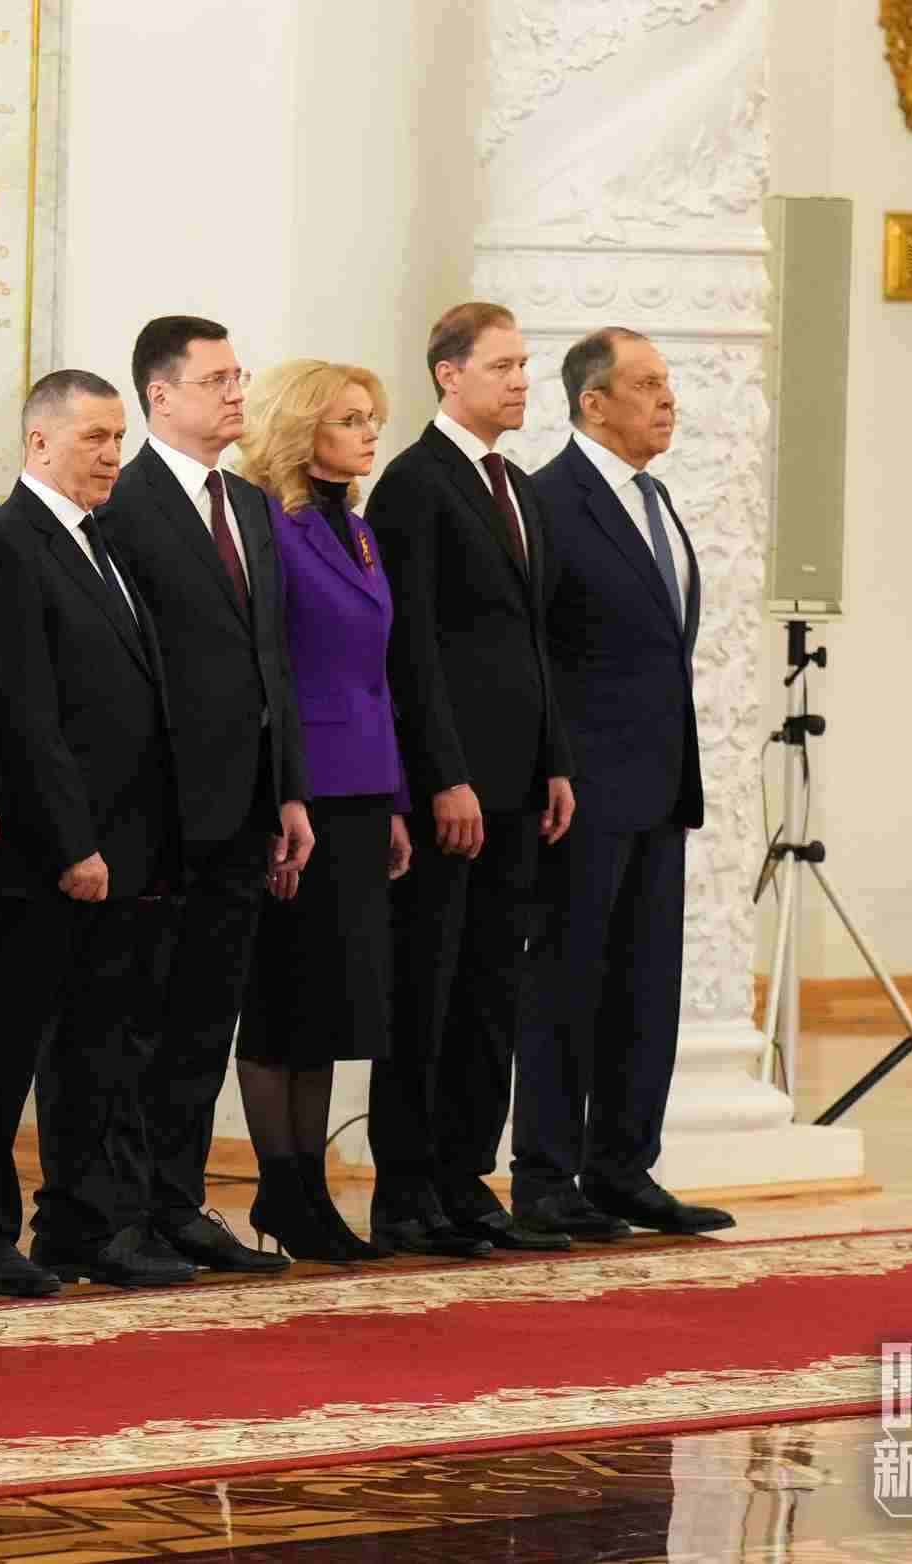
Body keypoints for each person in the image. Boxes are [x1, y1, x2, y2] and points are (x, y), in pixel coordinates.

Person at [0, 370, 187, 1288]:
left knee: (99, 1046)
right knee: (3, 1048)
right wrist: (71, 844)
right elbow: (25, 713)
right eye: (95, 437)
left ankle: (82, 1225)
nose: (112, 455)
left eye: (119, 438)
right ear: (40, 442)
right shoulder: (10, 544)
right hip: (49, 854)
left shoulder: (101, 538)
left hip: (124, 844)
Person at [96, 315, 311, 1277]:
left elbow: (272, 662)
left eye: (239, 376)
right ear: (160, 395)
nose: (236, 393)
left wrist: (289, 792)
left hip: (245, 807)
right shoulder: (124, 502)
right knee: (136, 1020)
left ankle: (177, 1203)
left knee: (203, 1025)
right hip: (159, 810)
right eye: (216, 379)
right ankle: (121, 1212)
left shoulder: (251, 505)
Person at [367, 302, 575, 1258]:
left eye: (525, 365)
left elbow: (534, 642)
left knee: (493, 991)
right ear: (449, 375)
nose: (522, 381)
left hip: (520, 784)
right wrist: (443, 776)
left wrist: (554, 761)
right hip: (451, 790)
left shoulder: (517, 485)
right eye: (503, 366)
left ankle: (467, 1181)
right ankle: (406, 1192)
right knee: (431, 990)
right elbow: (410, 649)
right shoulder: (414, 484)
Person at [522, 327, 733, 1237]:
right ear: (593, 402)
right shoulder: (548, 501)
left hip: (658, 786)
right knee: (567, 986)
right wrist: (552, 766)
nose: (667, 399)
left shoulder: (655, 497)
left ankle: (622, 1167)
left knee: (645, 988)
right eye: (646, 384)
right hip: (580, 792)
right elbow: (535, 655)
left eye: (668, 383)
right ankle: (545, 1177)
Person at [232, 359, 412, 1263]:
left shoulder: (359, 529)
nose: (370, 432)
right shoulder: (268, 523)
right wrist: (280, 796)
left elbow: (377, 674)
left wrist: (396, 799)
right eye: (350, 419)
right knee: (284, 996)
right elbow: (270, 671)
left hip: (363, 786)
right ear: (303, 431)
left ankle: (305, 1189)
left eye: (372, 417)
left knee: (333, 1002)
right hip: (301, 789)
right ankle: (283, 1185)